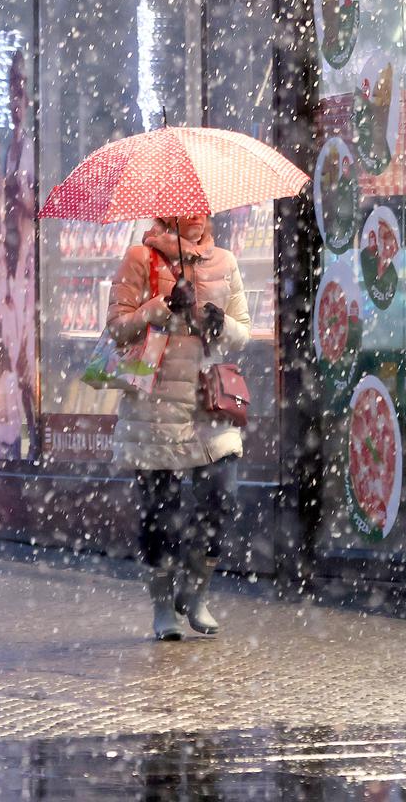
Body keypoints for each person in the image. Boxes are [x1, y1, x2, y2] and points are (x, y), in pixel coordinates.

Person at [105, 215, 250, 640]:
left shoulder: (224, 260)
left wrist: (221, 322)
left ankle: (196, 590)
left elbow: (243, 331)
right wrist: (163, 305)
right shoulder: (139, 258)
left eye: (201, 203)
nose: (197, 210)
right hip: (155, 405)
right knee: (160, 516)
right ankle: (162, 606)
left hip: (208, 401)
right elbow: (117, 328)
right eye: (187, 203)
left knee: (222, 497)